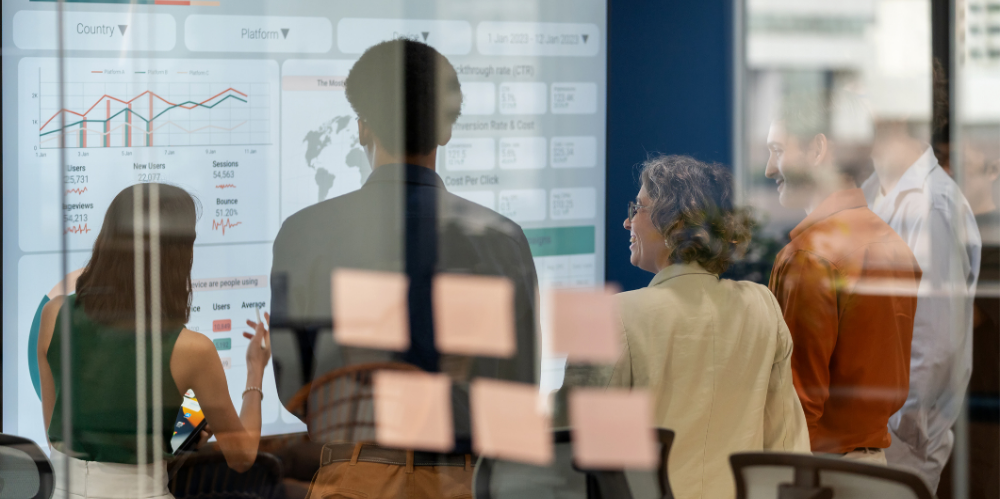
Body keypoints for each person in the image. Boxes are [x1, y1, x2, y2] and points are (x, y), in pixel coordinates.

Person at [268, 39, 539, 498]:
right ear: (445, 131)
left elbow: (294, 385)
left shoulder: (303, 232)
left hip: (356, 477)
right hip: (463, 482)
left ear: (362, 129)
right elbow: (520, 388)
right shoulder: (502, 239)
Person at [37, 183, 272, 499]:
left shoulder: (54, 315)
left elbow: (59, 435)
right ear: (177, 257)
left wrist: (173, 435)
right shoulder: (192, 349)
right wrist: (255, 370)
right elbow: (241, 457)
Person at [605, 154, 810, 499]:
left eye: (638, 208)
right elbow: (787, 444)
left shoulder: (616, 316)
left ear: (674, 223)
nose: (627, 223)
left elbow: (575, 447)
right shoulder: (761, 306)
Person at [765, 96, 922, 465]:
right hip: (873, 466)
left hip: (816, 468)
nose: (770, 168)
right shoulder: (892, 243)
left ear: (818, 149)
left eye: (778, 150)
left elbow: (796, 403)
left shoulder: (809, 256)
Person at [860, 116, 982, 489]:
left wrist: (900, 428)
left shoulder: (934, 206)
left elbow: (934, 344)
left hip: (896, 443)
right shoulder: (869, 192)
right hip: (867, 434)